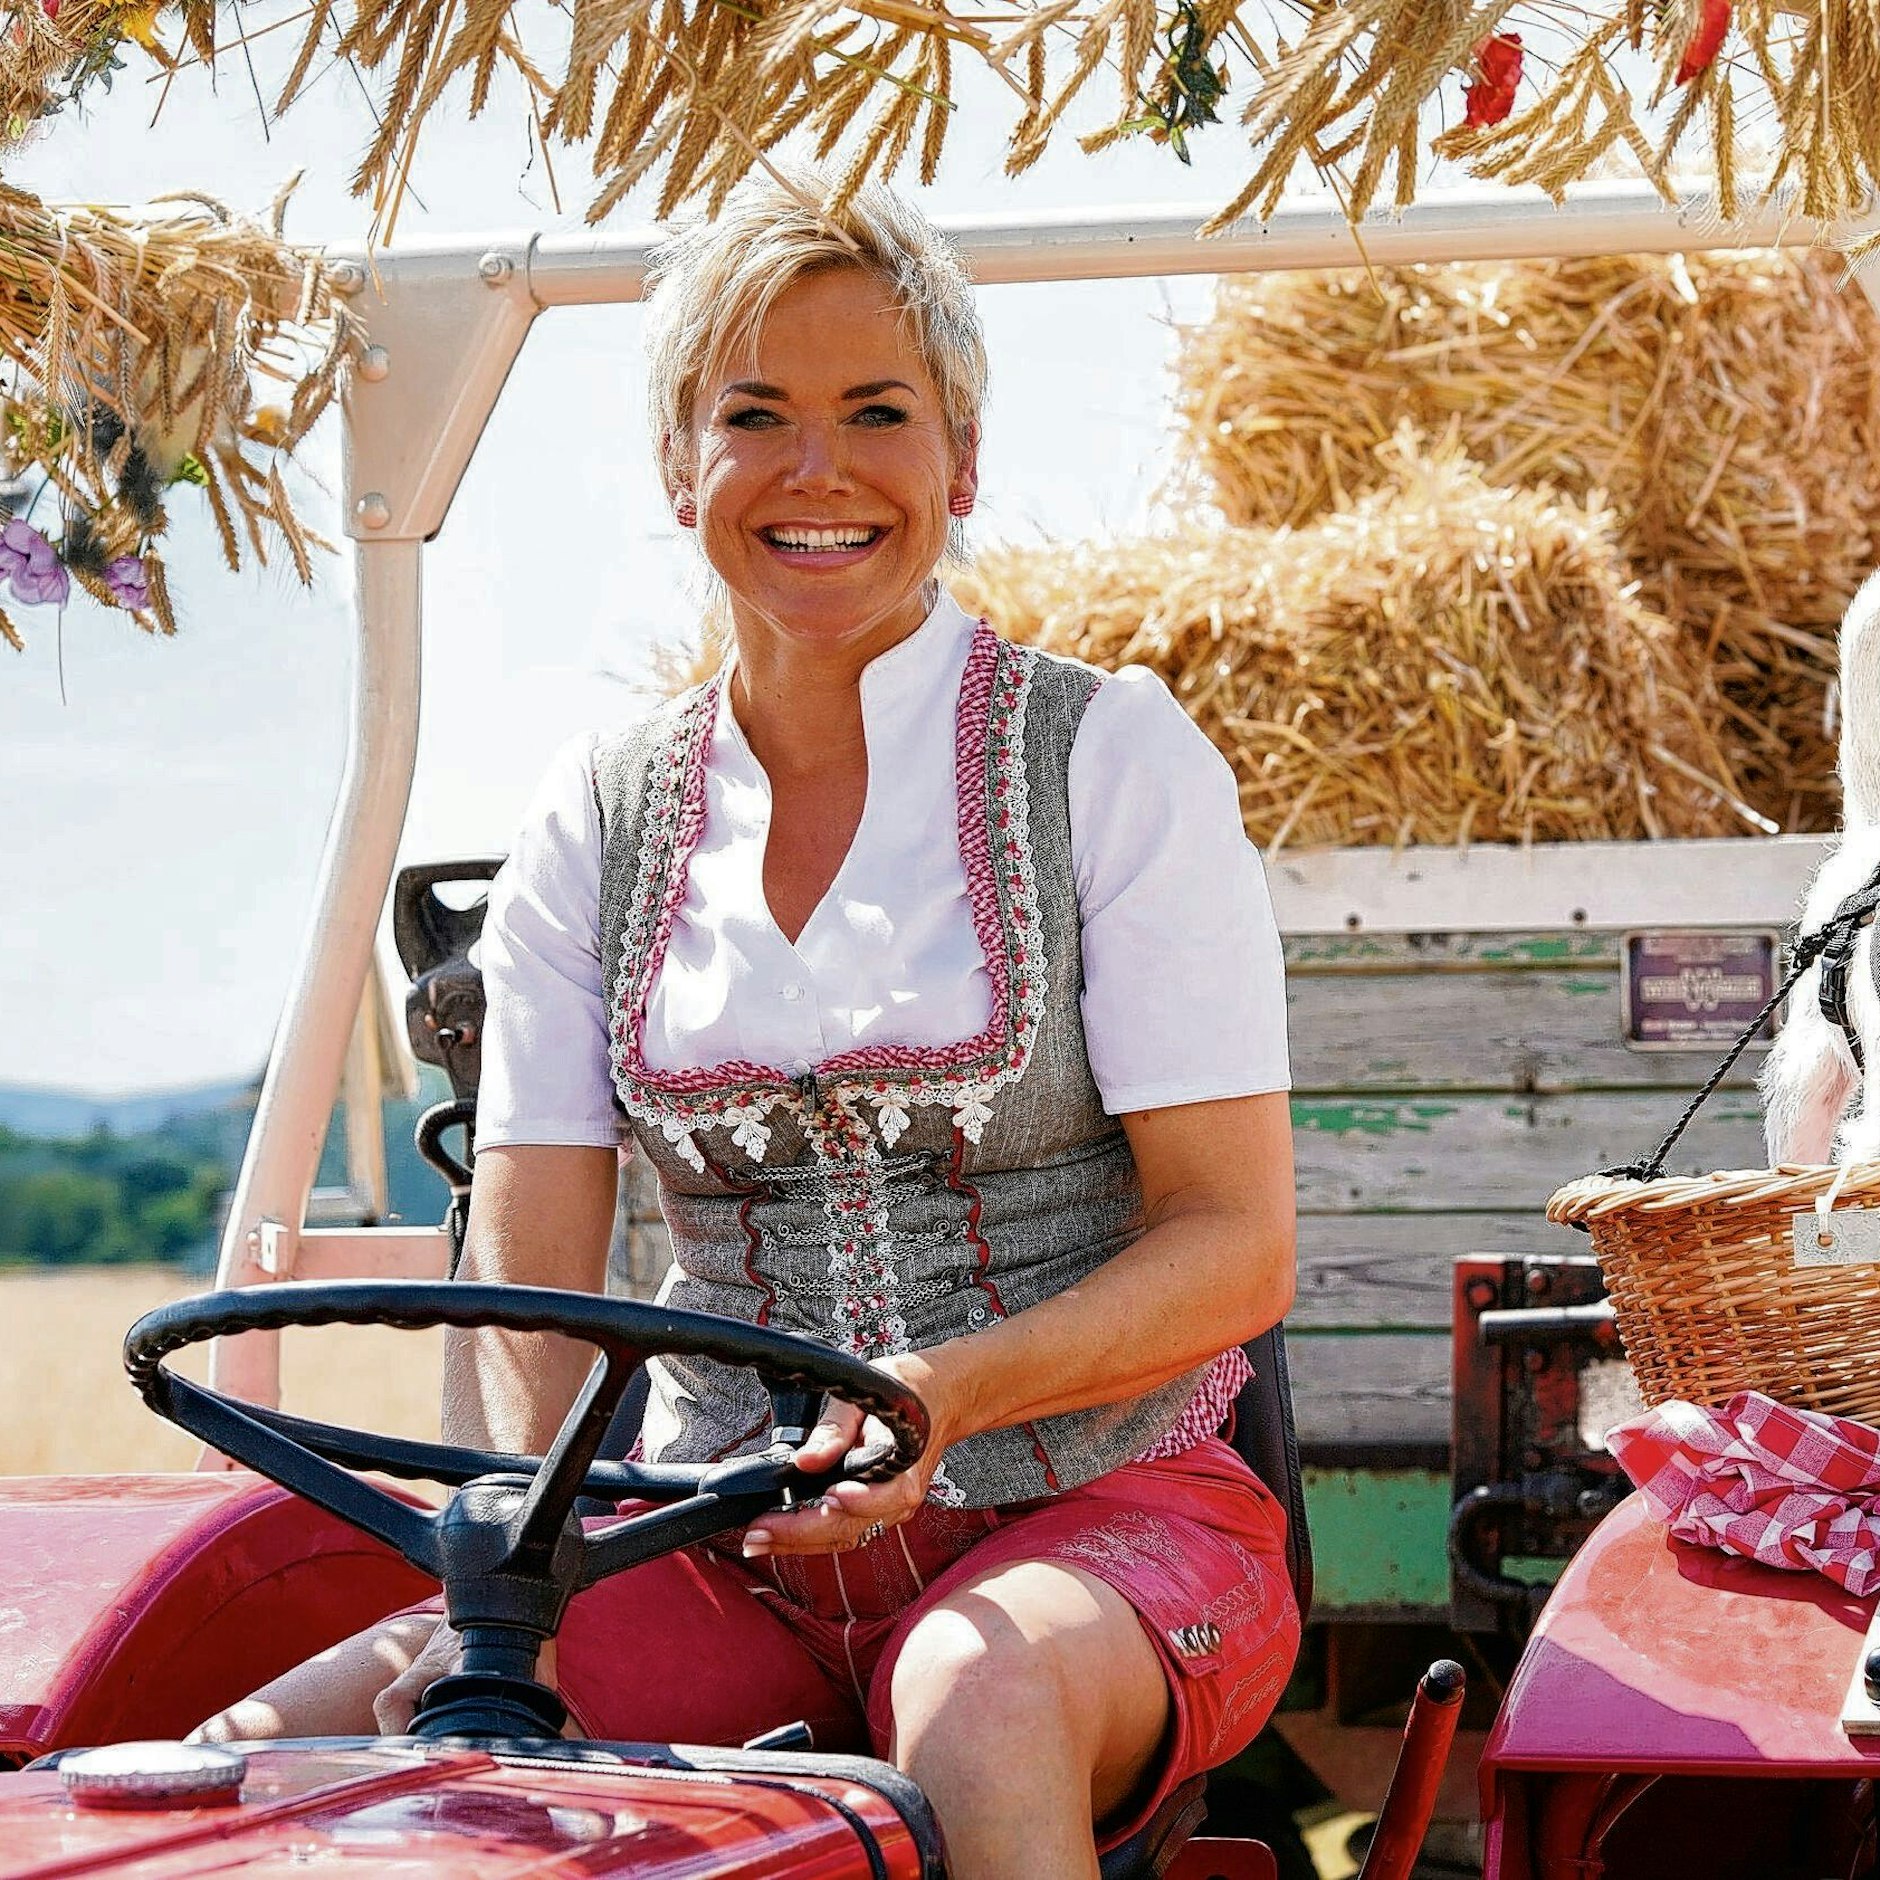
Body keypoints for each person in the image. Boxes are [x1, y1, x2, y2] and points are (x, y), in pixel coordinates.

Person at [196, 171, 1300, 1880]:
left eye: (878, 413)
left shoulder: (1108, 756)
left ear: (962, 460)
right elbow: (535, 1249)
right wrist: (527, 1582)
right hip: (711, 1539)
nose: (818, 472)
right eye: (754, 417)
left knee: (970, 1699)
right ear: (679, 466)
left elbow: (1236, 1246)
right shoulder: (608, 812)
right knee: (278, 1759)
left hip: (1109, 1515)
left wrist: (942, 1391)